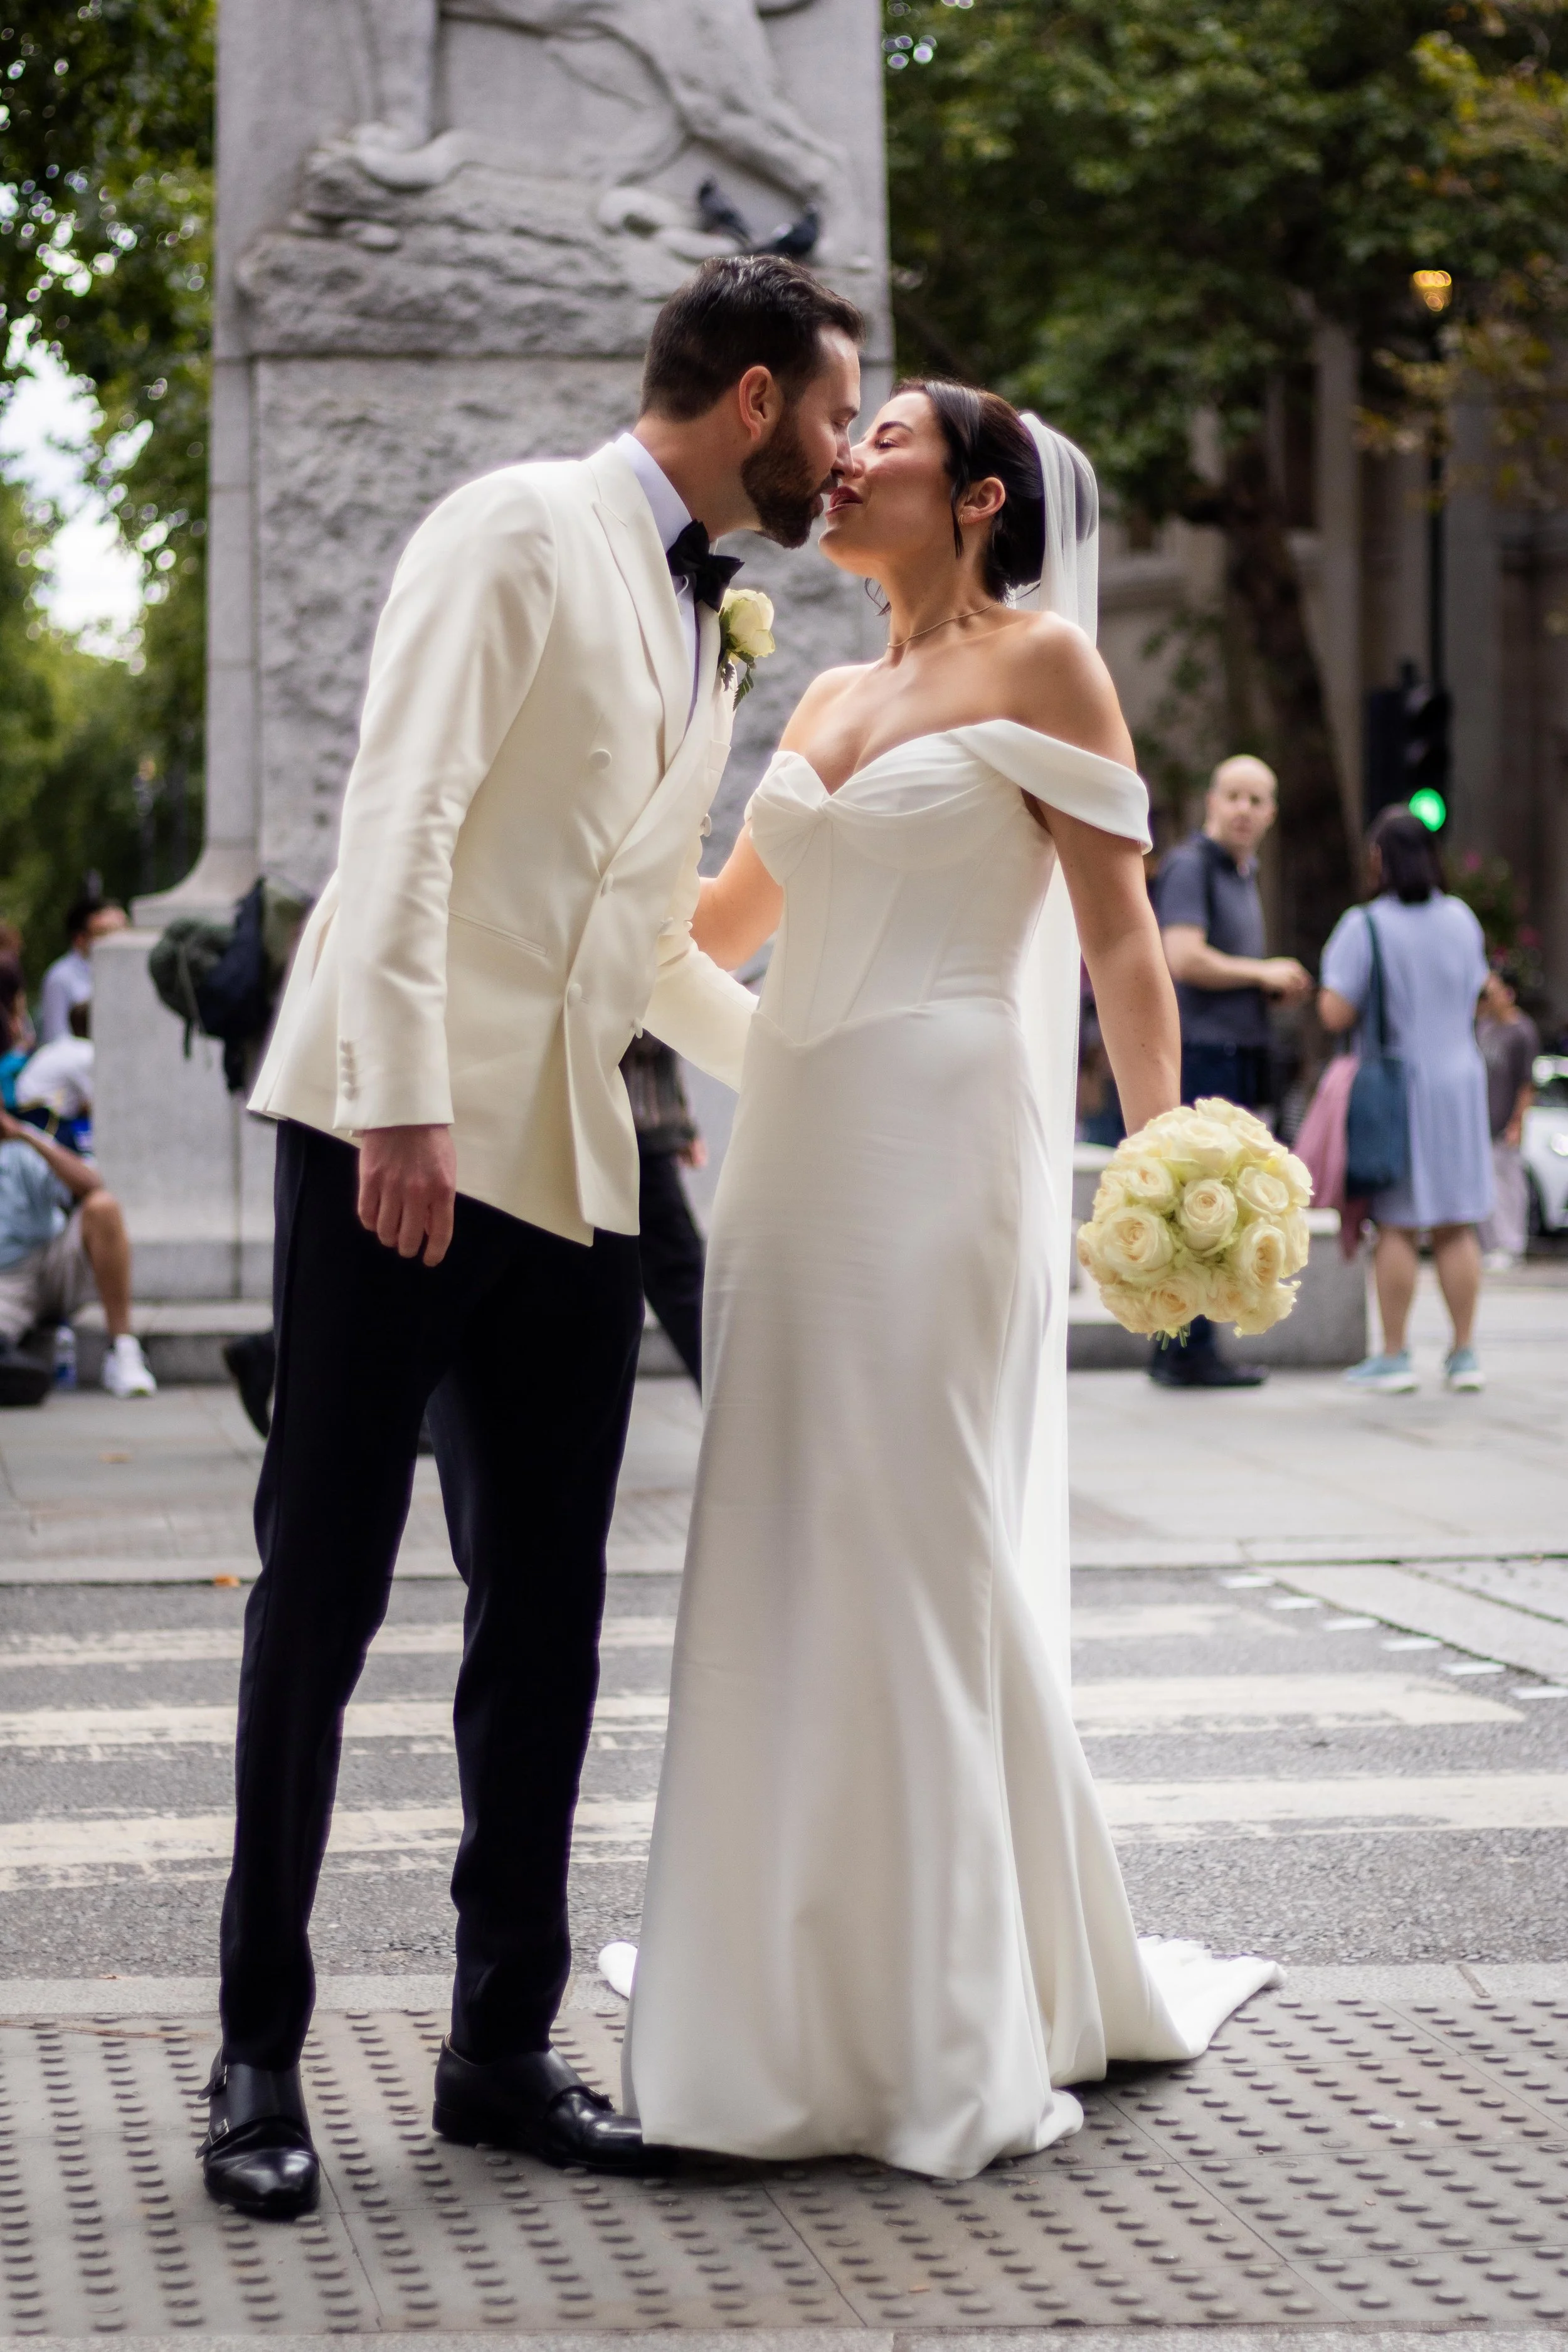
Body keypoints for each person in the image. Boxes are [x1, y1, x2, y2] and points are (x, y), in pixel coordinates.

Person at [206, 253, 864, 2219]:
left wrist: (824, 1069)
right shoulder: (514, 521)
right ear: (751, 398)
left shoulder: (712, 622)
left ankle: (498, 2044)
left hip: (572, 1157)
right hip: (391, 1133)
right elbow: (396, 814)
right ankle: (252, 2053)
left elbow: (650, 934)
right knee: (315, 1599)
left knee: (550, 1617)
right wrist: (401, 1091)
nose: (843, 454)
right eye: (835, 412)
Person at [618, 383, 1276, 2179]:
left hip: (944, 1142)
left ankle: (941, 2010)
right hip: (792, 1154)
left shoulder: (1046, 663)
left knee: (914, 1527)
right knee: (784, 1533)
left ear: (975, 496)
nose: (843, 453)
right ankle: (787, 1986)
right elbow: (712, 937)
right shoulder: (821, 695)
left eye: (884, 432)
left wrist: (1174, 1161)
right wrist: (573, 895)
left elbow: (1124, 936)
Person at [1148, 754, 1312, 1388]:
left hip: (1236, 1052)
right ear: (1211, 802)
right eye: (1233, 797)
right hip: (1203, 1055)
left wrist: (1265, 987)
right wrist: (1262, 971)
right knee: (1200, 1201)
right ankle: (1187, 1350)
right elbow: (1182, 958)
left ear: (1270, 814)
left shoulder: (1244, 872)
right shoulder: (1193, 865)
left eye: (1257, 800)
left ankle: (1184, 1346)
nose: (1243, 810)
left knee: (1218, 1205)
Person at [1320, 805, 1492, 1394]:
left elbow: (1335, 1009)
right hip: (1461, 1081)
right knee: (1455, 1222)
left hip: (1400, 1087)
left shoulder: (1365, 925)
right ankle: (1464, 1353)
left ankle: (1394, 1355)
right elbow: (1475, 993)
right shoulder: (1463, 919)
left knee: (1395, 1223)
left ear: (1379, 859)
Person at [0, 1106, 157, 1396]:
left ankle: (122, 1349)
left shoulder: (21, 1149)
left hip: (52, 1260)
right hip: (6, 1282)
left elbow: (92, 1184)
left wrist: (25, 1135)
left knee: (103, 1207)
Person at [622, 1034, 706, 1387]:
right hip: (632, 1133)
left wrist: (682, 1123)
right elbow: (642, 1025)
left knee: (683, 1283)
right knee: (684, 1283)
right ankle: (740, 1407)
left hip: (640, 1132)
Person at [1476, 962, 1539, 1269]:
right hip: (1482, 1122)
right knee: (1486, 1184)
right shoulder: (1485, 1027)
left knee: (1508, 1185)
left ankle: (1511, 1243)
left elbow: (1527, 1083)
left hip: (1504, 1122)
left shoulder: (1522, 1031)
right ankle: (1489, 1244)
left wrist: (1518, 1121)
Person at [38, 896, 127, 1046]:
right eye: (101, 934)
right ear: (80, 938)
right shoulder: (61, 977)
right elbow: (57, 1037)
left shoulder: (116, 972)